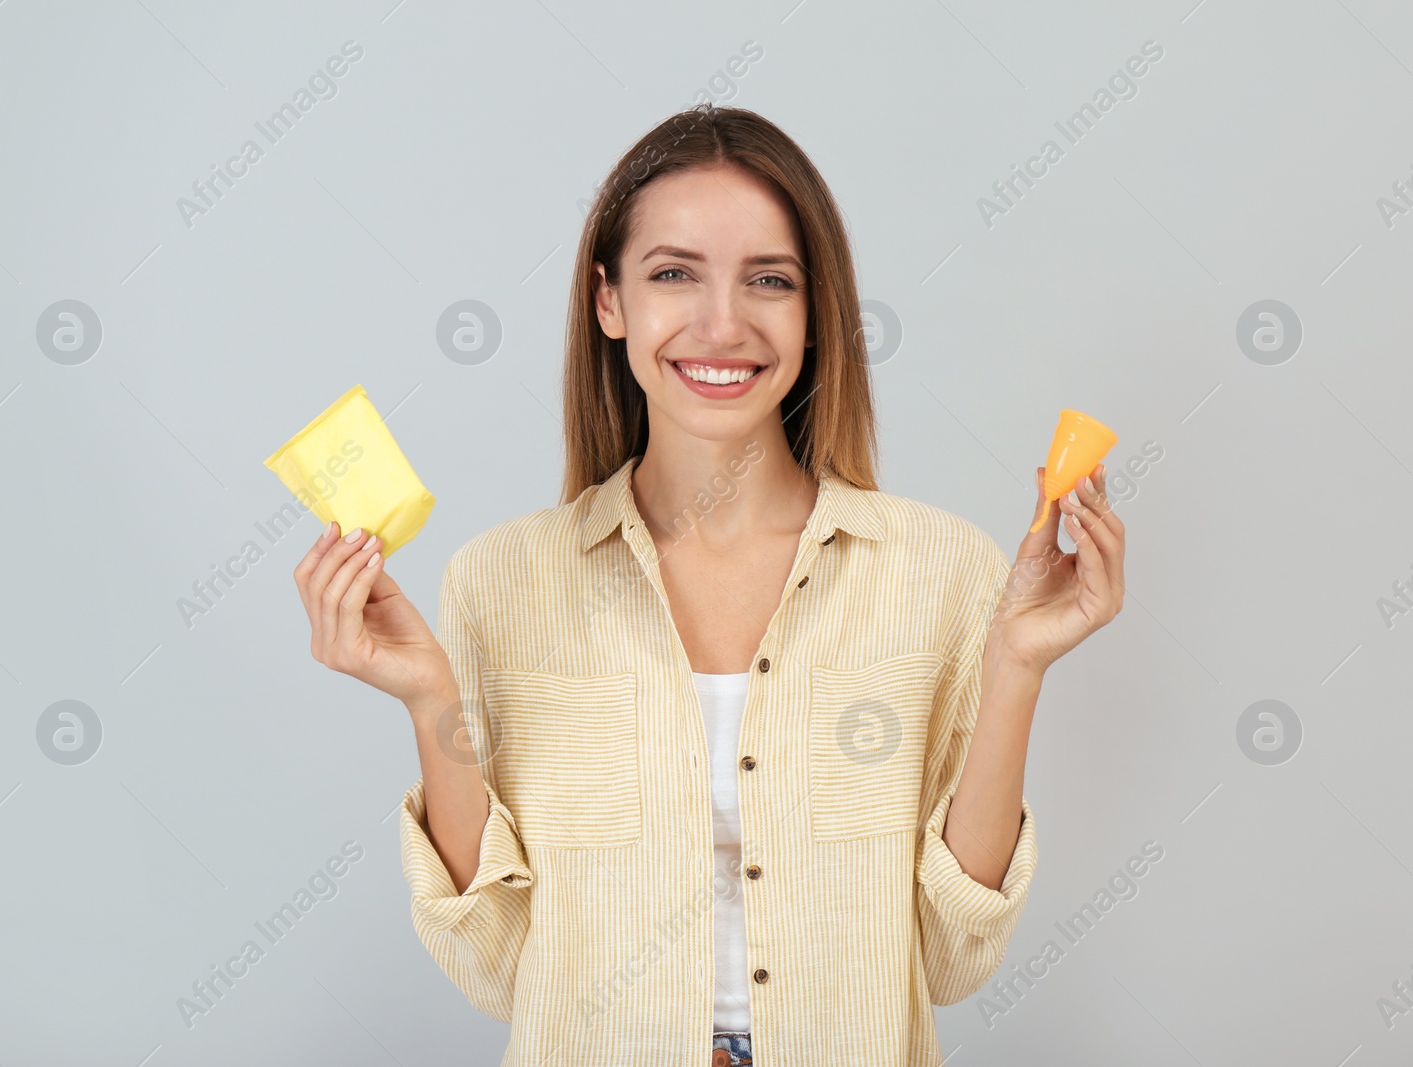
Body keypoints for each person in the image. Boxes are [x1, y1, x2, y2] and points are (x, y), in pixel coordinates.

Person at [291, 103, 1126, 1066]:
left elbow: (949, 952)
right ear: (610, 302)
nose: (722, 324)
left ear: (816, 314)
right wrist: (429, 699)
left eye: (769, 280)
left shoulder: (938, 571)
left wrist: (1017, 663)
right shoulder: (502, 581)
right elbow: (498, 960)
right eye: (673, 273)